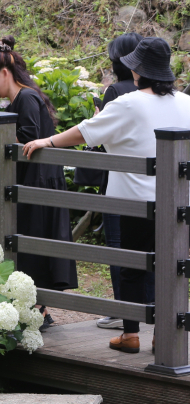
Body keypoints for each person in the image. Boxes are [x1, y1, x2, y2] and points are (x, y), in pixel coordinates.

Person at [23, 37, 190, 353]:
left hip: (134, 200)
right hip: (178, 202)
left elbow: (86, 131)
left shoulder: (128, 102)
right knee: (170, 268)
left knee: (130, 267)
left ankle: (130, 334)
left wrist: (49, 141)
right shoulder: (186, 102)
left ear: (138, 70)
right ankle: (162, 333)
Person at [0, 35, 78, 332]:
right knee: (28, 243)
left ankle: (37, 311)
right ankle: (34, 309)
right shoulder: (20, 99)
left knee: (34, 243)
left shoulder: (27, 98)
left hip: (39, 180)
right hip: (34, 179)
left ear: (4, 72)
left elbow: (29, 137)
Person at [95, 32, 148, 331]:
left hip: (120, 183)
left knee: (119, 247)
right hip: (151, 186)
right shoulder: (157, 93)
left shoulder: (115, 91)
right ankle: (150, 309)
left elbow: (105, 139)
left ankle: (121, 312)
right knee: (149, 252)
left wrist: (97, 118)